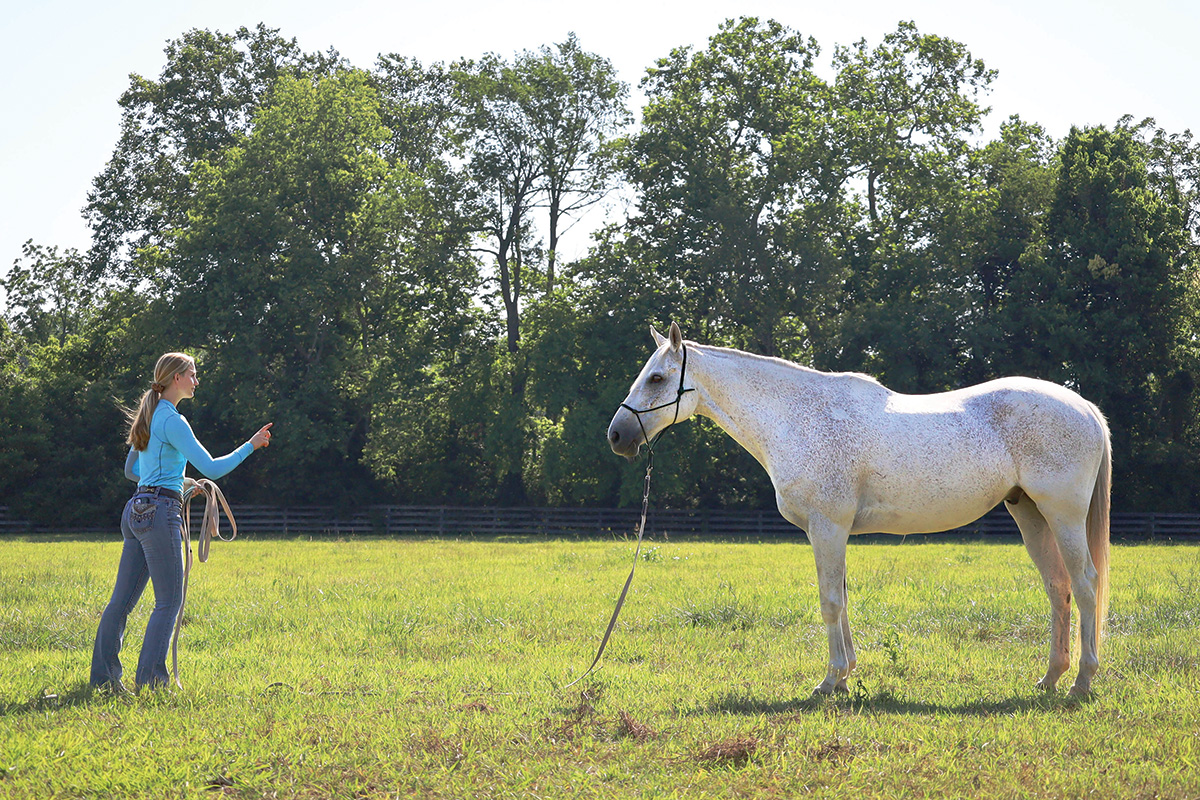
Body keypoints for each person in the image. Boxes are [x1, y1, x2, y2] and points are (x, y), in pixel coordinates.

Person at [90, 352, 272, 692]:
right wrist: (251, 445)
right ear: (177, 378)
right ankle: (152, 684)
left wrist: (178, 480)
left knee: (121, 602)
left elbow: (132, 471)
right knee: (169, 601)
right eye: (192, 374)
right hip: (160, 514)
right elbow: (213, 468)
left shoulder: (148, 414)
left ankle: (103, 680)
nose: (196, 381)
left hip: (135, 511)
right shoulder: (173, 420)